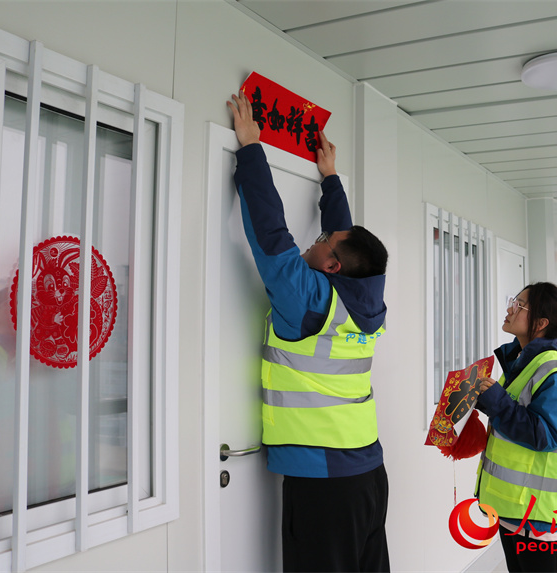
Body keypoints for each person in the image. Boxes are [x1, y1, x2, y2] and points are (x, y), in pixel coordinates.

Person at [227, 90, 390, 572]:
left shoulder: (308, 299)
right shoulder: (368, 301)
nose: (313, 241)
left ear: (333, 266)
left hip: (324, 482)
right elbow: (345, 245)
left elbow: (271, 236)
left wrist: (251, 148)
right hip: (367, 474)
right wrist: (331, 180)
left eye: (321, 240)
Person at [475, 282, 557, 572]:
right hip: (514, 505)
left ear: (540, 323)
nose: (509, 309)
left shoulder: (553, 370)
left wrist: (497, 402)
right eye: (512, 302)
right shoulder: (522, 361)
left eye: (518, 305)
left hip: (535, 510)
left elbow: (546, 435)